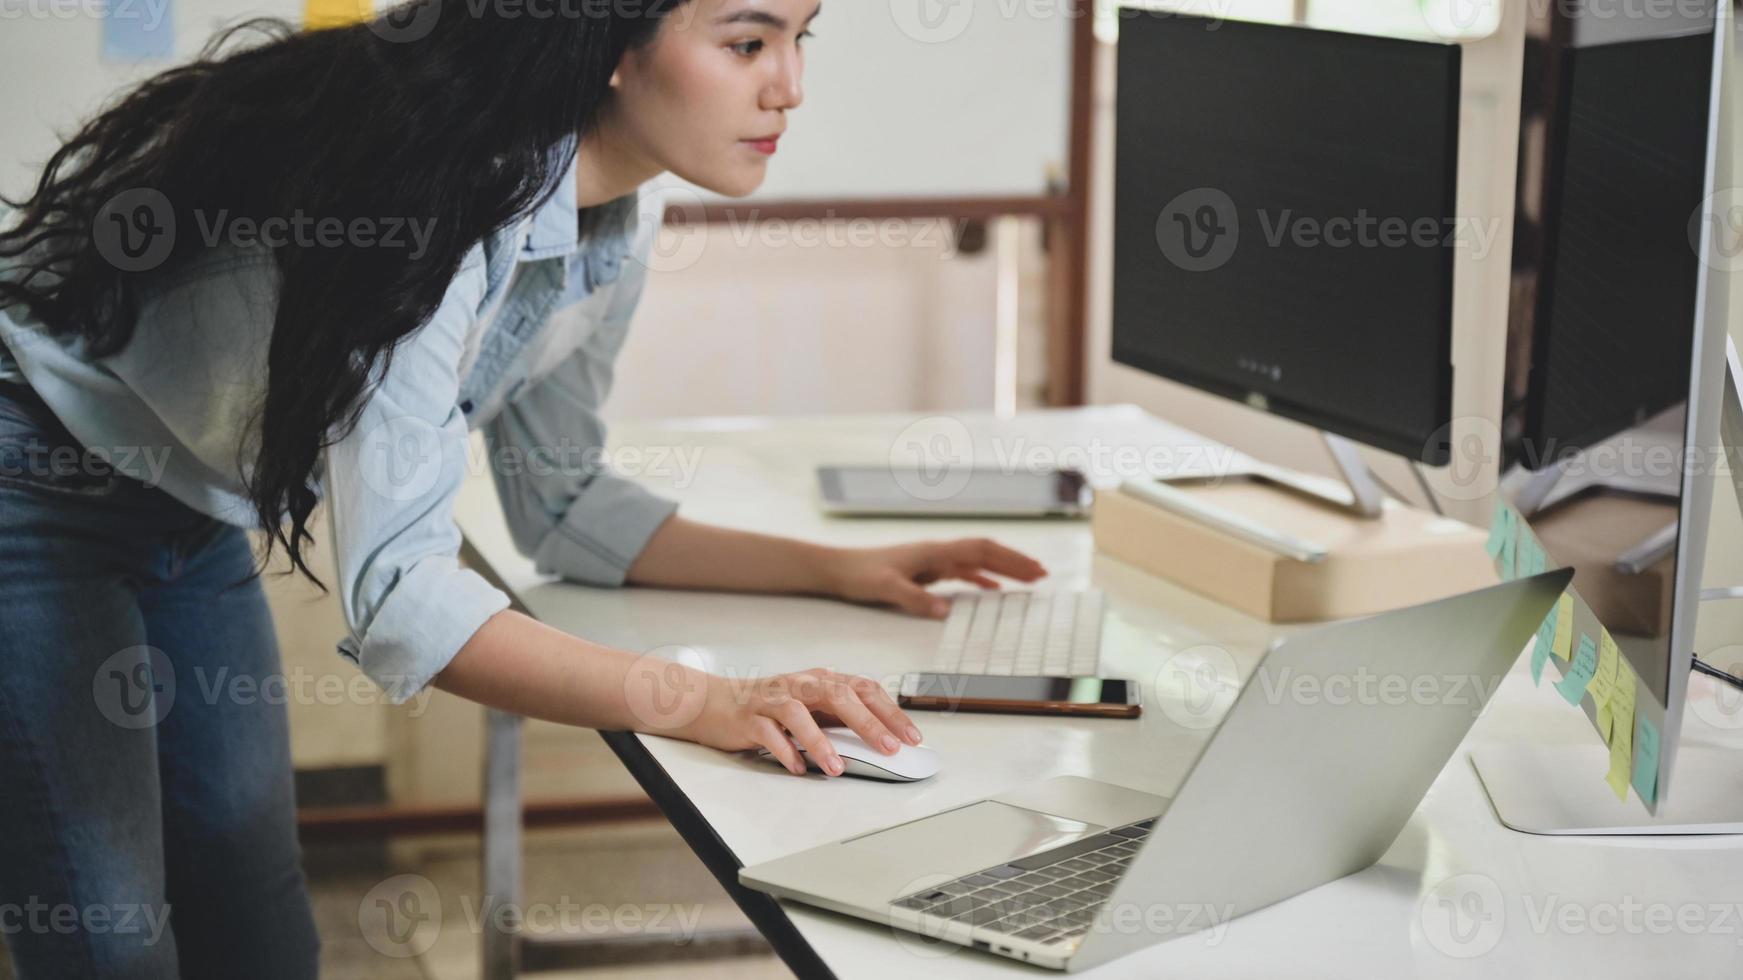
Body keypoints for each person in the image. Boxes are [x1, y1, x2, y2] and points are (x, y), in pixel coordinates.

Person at [0, 1, 1049, 975]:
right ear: (616, 44)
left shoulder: (611, 218)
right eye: (747, 42)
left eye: (801, 39)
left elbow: (564, 501)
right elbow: (408, 599)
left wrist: (841, 568)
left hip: (187, 508)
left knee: (256, 912)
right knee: (108, 931)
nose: (790, 87)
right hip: (31, 479)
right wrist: (710, 700)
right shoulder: (432, 196)